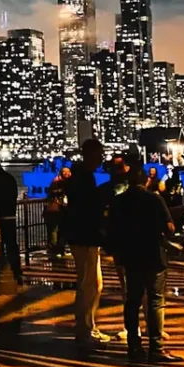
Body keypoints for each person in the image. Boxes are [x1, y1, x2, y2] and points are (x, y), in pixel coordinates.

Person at [107, 152, 181, 364]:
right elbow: (169, 228)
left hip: (131, 256)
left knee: (132, 301)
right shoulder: (154, 199)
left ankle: (134, 346)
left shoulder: (119, 202)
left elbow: (112, 230)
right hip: (153, 255)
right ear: (146, 180)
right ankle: (156, 348)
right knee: (156, 301)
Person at [63, 139, 112, 352]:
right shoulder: (83, 177)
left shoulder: (81, 176)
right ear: (90, 155)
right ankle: (84, 331)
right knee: (87, 284)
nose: (101, 158)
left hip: (85, 237)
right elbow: (87, 205)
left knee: (95, 284)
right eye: (99, 154)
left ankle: (89, 327)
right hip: (85, 237)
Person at [0, 161, 22, 282]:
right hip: (11, 215)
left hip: (0, 216)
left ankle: (1, 269)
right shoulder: (10, 178)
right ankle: (16, 270)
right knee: (11, 244)